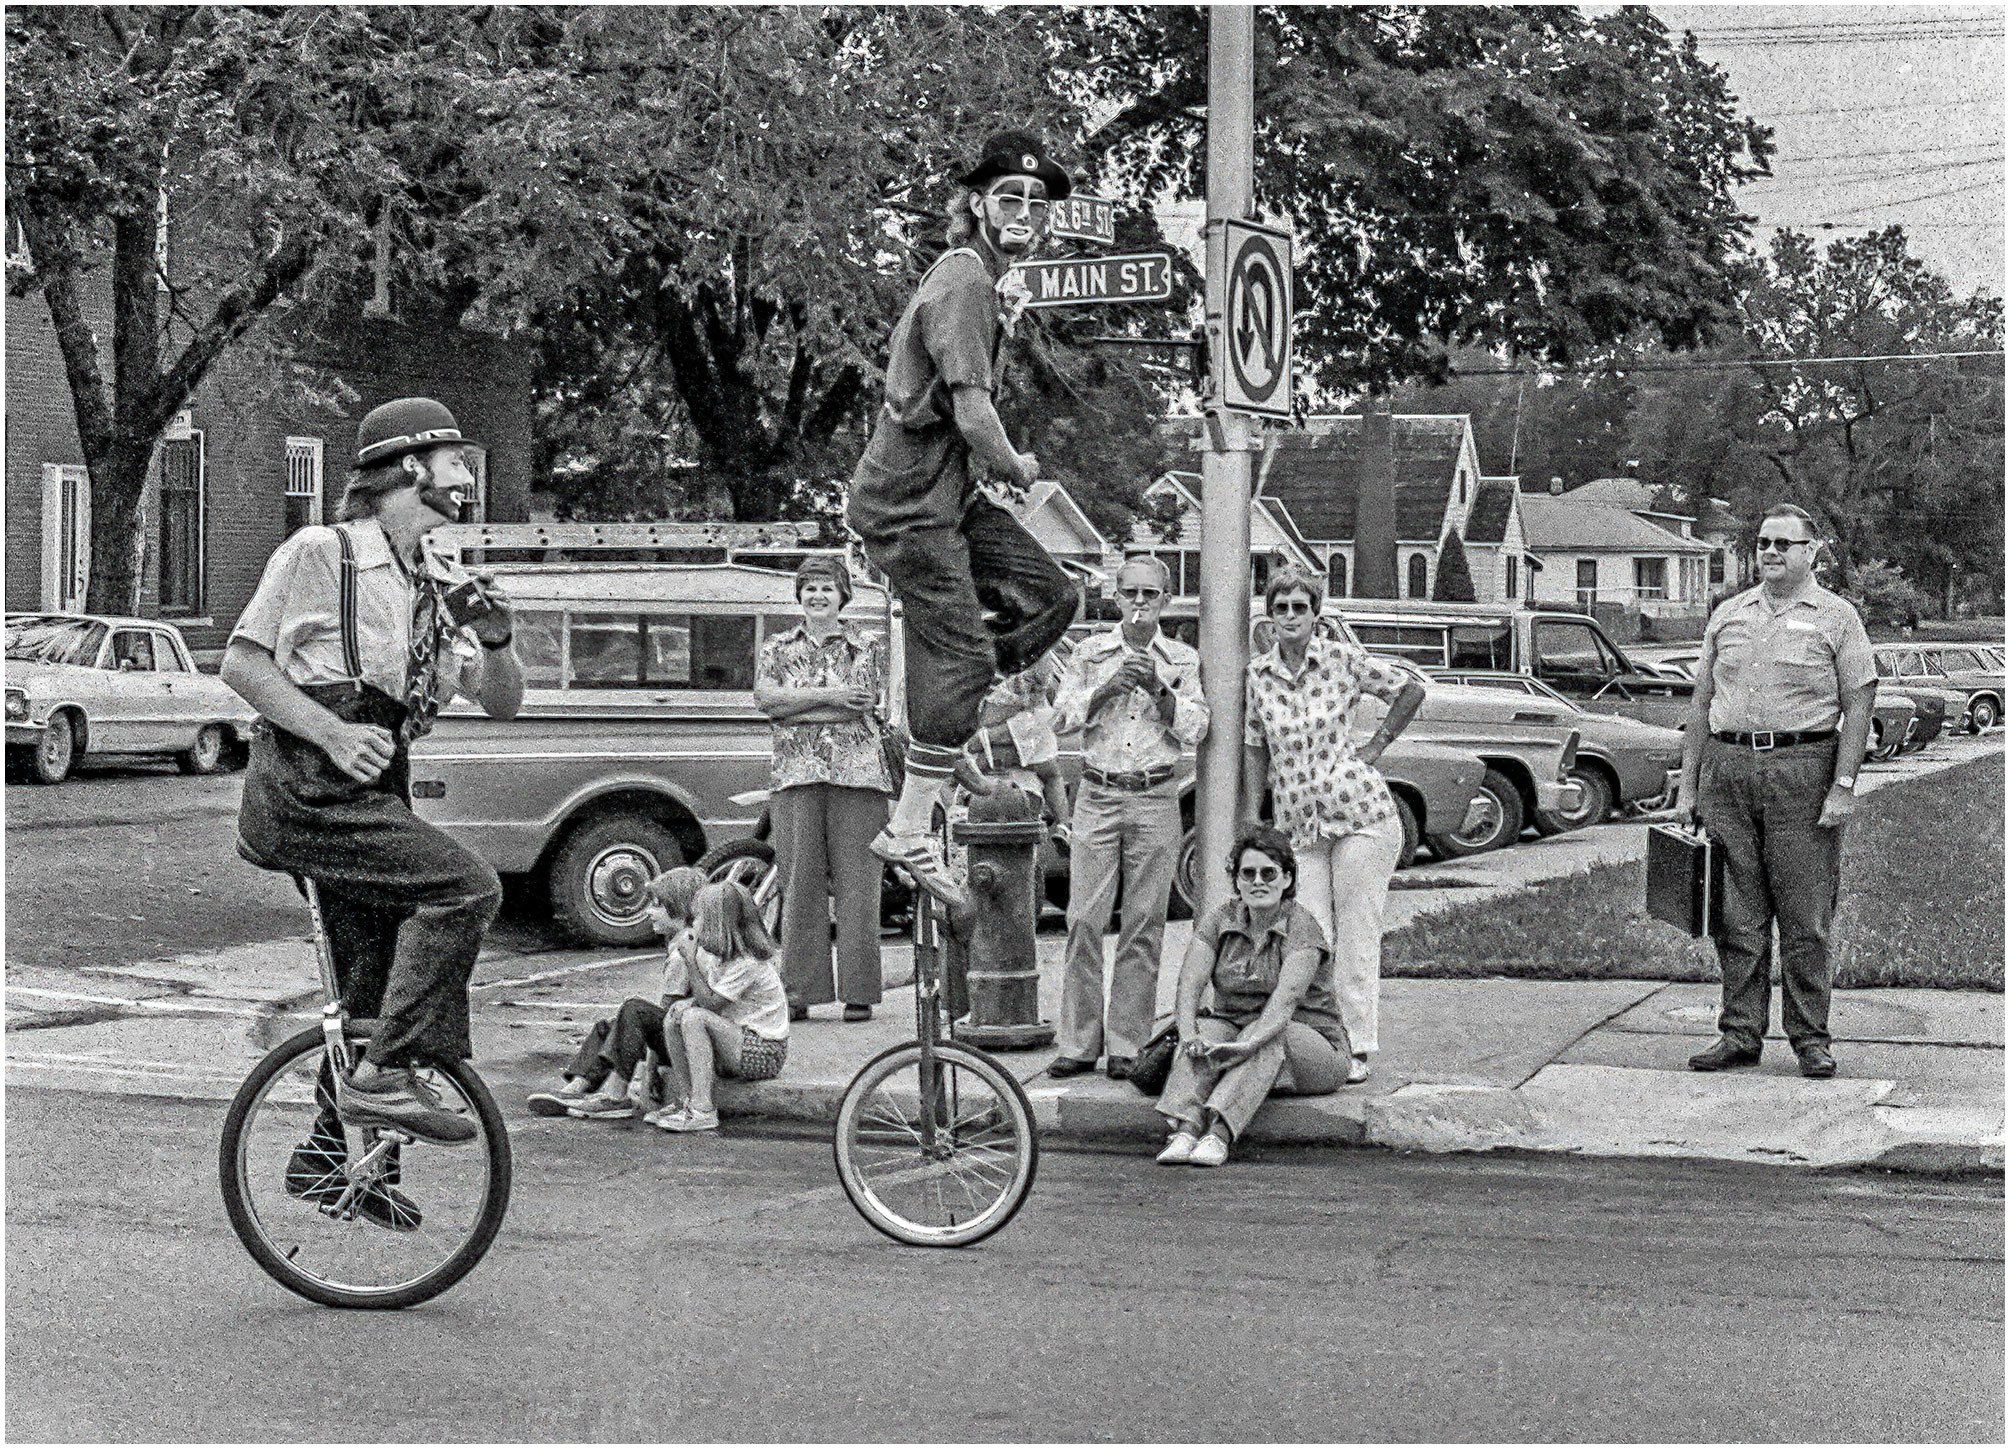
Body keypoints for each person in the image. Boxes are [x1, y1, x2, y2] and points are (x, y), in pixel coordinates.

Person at [226, 397, 523, 1162]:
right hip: (308, 787)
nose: (466, 478)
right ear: (412, 466)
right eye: (456, 461)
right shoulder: (323, 552)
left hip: (373, 785)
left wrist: (497, 639)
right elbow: (242, 663)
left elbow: (501, 703)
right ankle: (386, 1072)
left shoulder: (432, 578)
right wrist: (330, 730)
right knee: (468, 887)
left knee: (376, 980)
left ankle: (336, 1161)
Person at [847, 129, 1082, 911]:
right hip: (909, 505)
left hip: (948, 498)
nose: (1025, 212)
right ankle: (911, 823)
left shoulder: (984, 281)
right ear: (977, 206)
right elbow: (975, 413)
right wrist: (1017, 466)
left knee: (1053, 596)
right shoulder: (965, 280)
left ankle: (953, 693)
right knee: (965, 658)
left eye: (1037, 203)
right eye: (1010, 198)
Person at [1678, 503, 1876, 1080]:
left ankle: (1811, 1039)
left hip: (1803, 770)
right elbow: (1699, 706)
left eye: (1783, 544)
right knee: (1735, 917)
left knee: (1805, 917)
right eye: (1763, 542)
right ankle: (1739, 1035)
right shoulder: (1729, 613)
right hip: (1729, 769)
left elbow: (1859, 703)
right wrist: (1688, 786)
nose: (1769, 552)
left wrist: (1843, 784)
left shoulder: (1837, 617)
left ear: (1811, 553)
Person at [1241, 567, 1424, 1086]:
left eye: (1301, 607)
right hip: (1299, 824)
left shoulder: (1342, 660)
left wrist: (1376, 745)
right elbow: (1256, 745)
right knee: (1310, 934)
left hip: (1359, 814)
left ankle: (1359, 1042)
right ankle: (1319, 1038)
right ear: (1270, 616)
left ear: (1316, 613)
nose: (1292, 617)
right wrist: (1256, 815)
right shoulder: (1258, 675)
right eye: (1282, 608)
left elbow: (1409, 690)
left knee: (1358, 932)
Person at [1047, 556, 1208, 1080]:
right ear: (1115, 597)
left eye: (1151, 594)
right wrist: (1107, 688)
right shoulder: (1091, 652)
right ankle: (1077, 1041)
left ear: (1166, 600)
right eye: (1131, 594)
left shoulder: (1181, 656)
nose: (1140, 604)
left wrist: (1161, 691)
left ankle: (1127, 1042)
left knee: (1144, 922)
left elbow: (1197, 727)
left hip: (1155, 794)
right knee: (1084, 920)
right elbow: (1063, 718)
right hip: (1098, 791)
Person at [1154, 826, 1348, 1168]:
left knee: (1266, 1040)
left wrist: (1245, 1046)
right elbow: (1189, 984)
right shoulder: (1219, 919)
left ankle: (1219, 1133)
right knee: (1204, 1035)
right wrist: (1189, 1036)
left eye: (1268, 873)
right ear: (1238, 881)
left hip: (1310, 1042)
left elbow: (1284, 1003)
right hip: (1233, 1025)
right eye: (1248, 873)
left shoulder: (1303, 927)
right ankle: (1185, 1129)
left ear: (1286, 879)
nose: (1258, 881)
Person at [754, 556, 893, 1023]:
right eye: (810, 588)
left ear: (843, 595)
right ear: (799, 595)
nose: (818, 596)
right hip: (794, 776)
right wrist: (832, 698)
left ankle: (859, 992)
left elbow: (863, 708)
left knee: (860, 884)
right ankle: (800, 991)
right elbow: (766, 701)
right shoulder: (776, 646)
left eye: (827, 589)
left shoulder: (867, 644)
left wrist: (795, 709)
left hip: (859, 776)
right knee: (799, 884)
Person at [524, 865, 707, 1120]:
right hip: (682, 1031)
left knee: (633, 1011)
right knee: (606, 1027)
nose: (649, 912)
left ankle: (614, 1095)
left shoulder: (681, 954)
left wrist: (651, 1072)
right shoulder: (685, 941)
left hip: (686, 1039)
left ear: (679, 909)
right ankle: (576, 1088)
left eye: (657, 906)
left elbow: (667, 1019)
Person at [657, 880, 792, 1134]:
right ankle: (687, 1101)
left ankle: (703, 1109)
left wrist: (689, 960)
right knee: (675, 1017)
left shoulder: (747, 963)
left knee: (694, 1018)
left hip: (764, 1051)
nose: (693, 924)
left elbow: (710, 1004)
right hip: (738, 1041)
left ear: (716, 925)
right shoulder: (721, 956)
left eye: (697, 919)